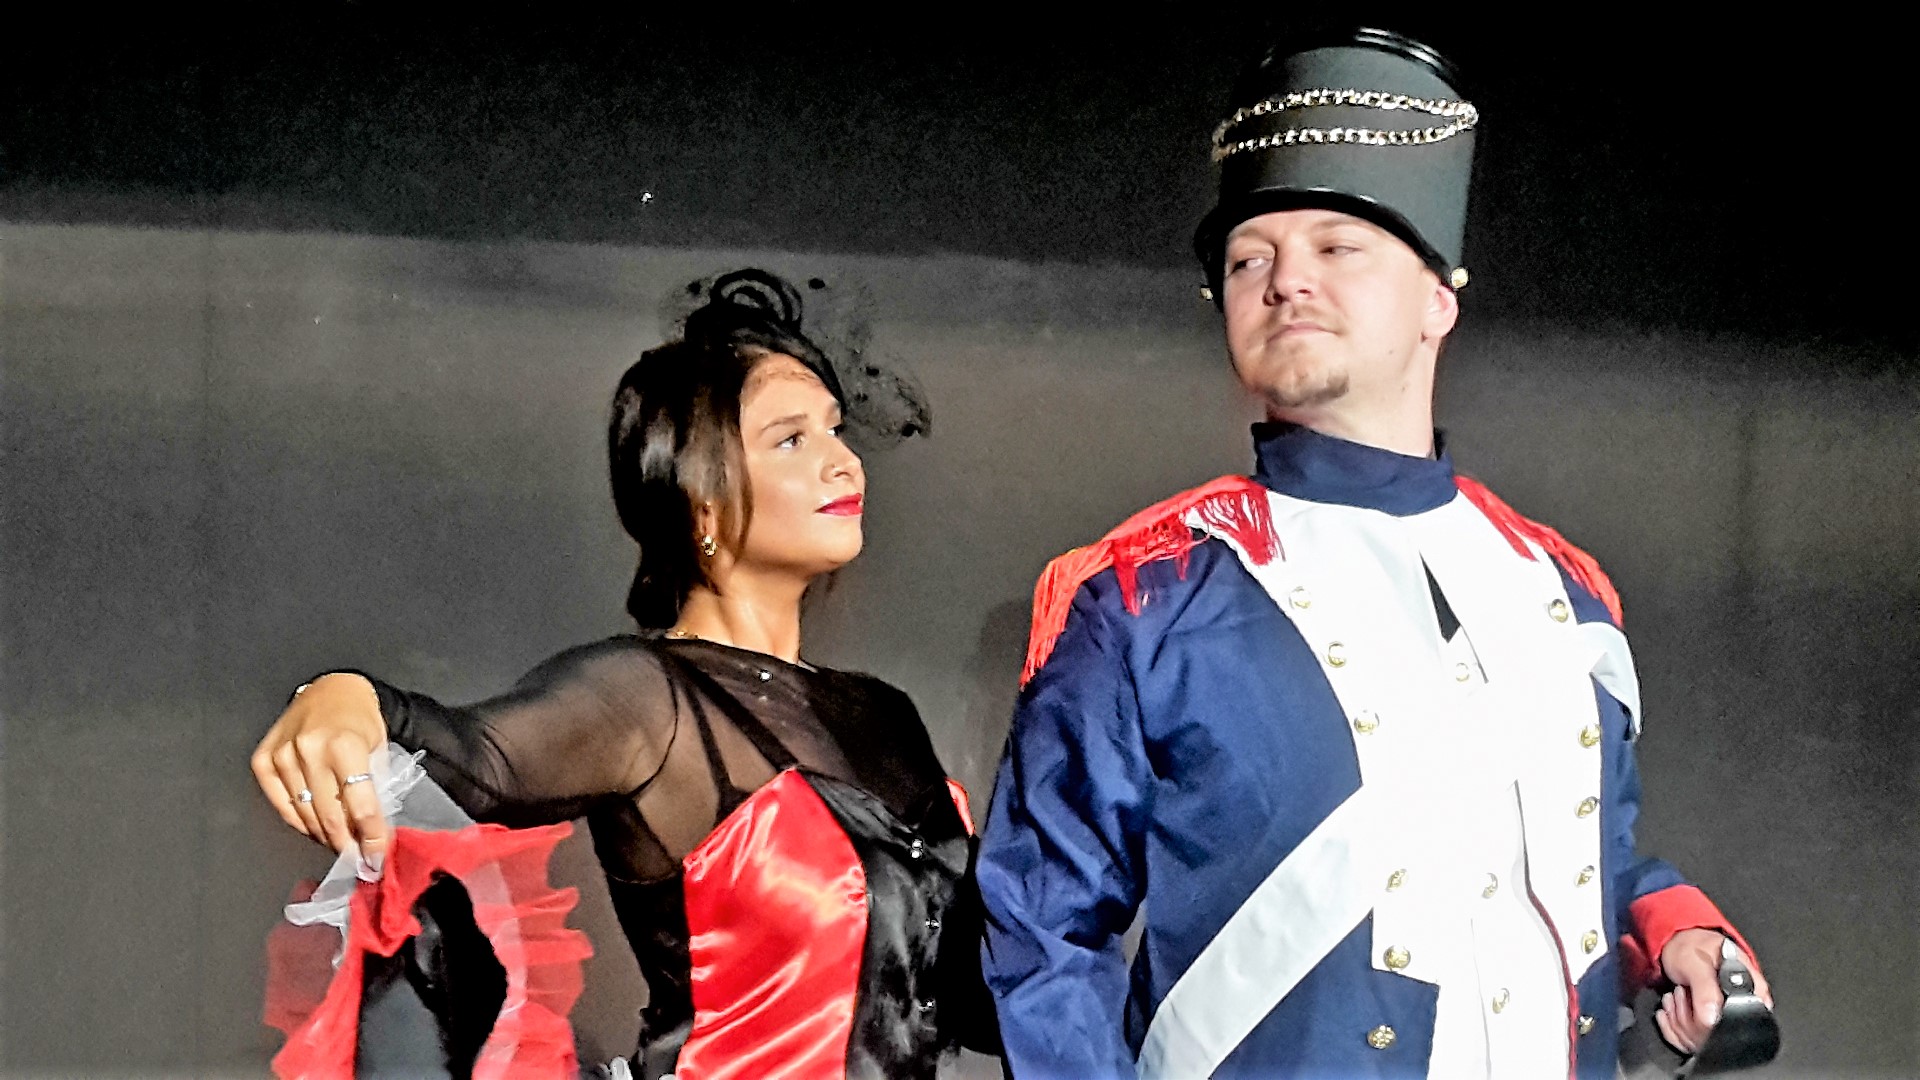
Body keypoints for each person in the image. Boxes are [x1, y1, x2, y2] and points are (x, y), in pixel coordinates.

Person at [976, 28, 1771, 1079]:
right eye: (1249, 260)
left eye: (1336, 248)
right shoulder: (1141, 595)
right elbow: (1043, 937)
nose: (1285, 282)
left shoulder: (1564, 591)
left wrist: (1673, 928)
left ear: (1439, 299)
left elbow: (1563, 870)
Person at [250, 269, 990, 1079]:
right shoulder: (649, 697)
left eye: (835, 431)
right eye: (792, 440)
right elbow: (477, 759)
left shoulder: (885, 715)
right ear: (702, 499)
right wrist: (343, 696)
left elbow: (982, 993)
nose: (843, 462)